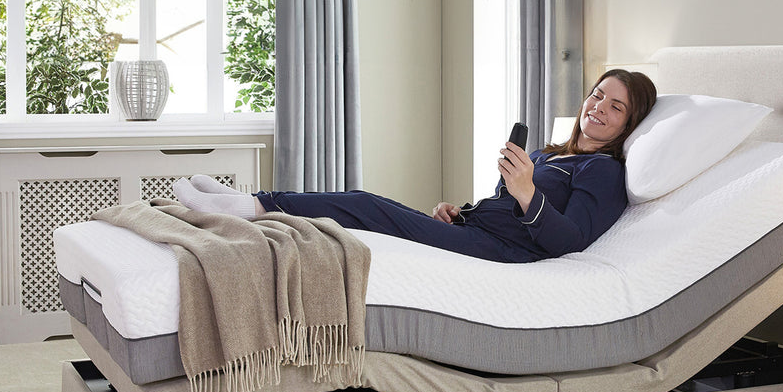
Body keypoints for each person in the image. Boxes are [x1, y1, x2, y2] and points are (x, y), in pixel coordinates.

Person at [172, 69, 657, 263]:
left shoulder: (604, 172)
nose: (599, 107)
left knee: (365, 205)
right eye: (598, 94)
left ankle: (252, 204)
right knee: (374, 206)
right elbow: (503, 206)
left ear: (628, 121)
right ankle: (250, 205)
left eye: (616, 106)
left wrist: (529, 192)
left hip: (505, 253)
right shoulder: (551, 154)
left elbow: (571, 241)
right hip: (480, 231)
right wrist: (459, 211)